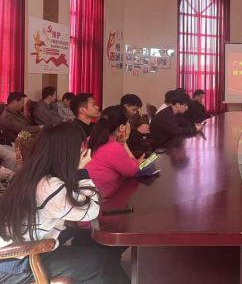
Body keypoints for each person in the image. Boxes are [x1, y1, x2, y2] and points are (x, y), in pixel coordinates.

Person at [0, 123, 130, 284]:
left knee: (107, 245)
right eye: (81, 146)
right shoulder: (48, 186)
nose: (84, 151)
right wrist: (80, 171)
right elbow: (90, 210)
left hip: (34, 244)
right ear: (68, 151)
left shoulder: (32, 174)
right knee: (101, 262)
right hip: (19, 260)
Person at [86, 106, 145, 198]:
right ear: (121, 127)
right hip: (105, 199)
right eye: (128, 123)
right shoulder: (114, 148)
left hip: (87, 195)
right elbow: (132, 170)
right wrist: (124, 143)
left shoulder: (88, 140)